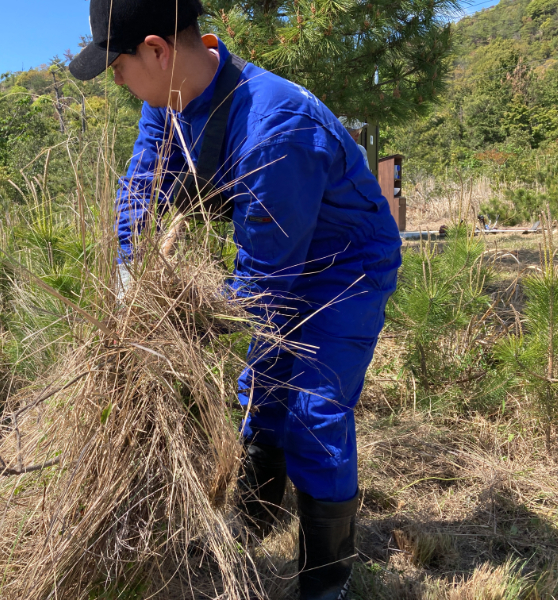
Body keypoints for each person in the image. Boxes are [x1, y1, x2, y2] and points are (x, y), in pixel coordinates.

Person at [69, 1, 401, 598]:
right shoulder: (168, 101)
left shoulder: (273, 128)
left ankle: (326, 582)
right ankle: (259, 515)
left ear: (156, 49)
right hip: (280, 255)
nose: (116, 80)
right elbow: (142, 184)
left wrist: (178, 322)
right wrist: (130, 273)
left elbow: (265, 285)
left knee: (313, 410)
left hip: (345, 266)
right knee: (261, 386)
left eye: (116, 65)